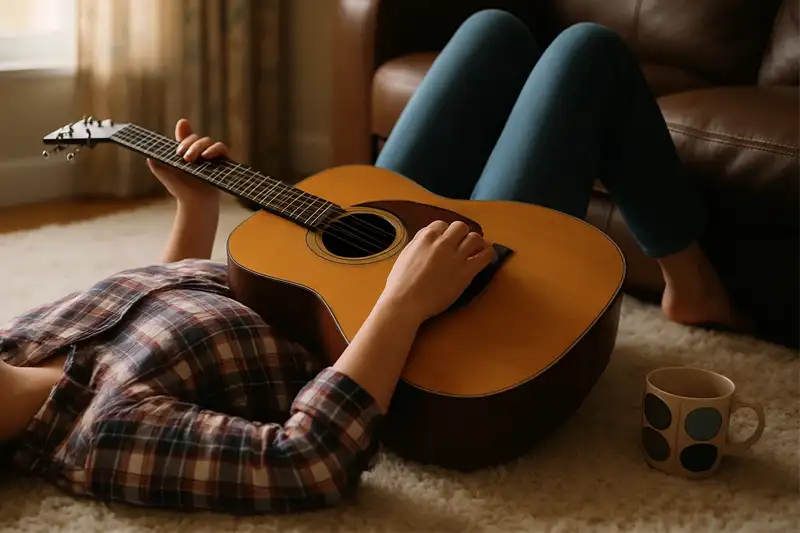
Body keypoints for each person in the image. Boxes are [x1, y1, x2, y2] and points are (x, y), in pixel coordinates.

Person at [0, 10, 748, 515]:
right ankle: (693, 284)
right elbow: (304, 461)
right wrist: (403, 300)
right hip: (429, 327)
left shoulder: (25, 335)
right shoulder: (103, 438)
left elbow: (160, 295)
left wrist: (195, 208)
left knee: (493, 31)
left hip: (333, 266)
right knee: (589, 54)